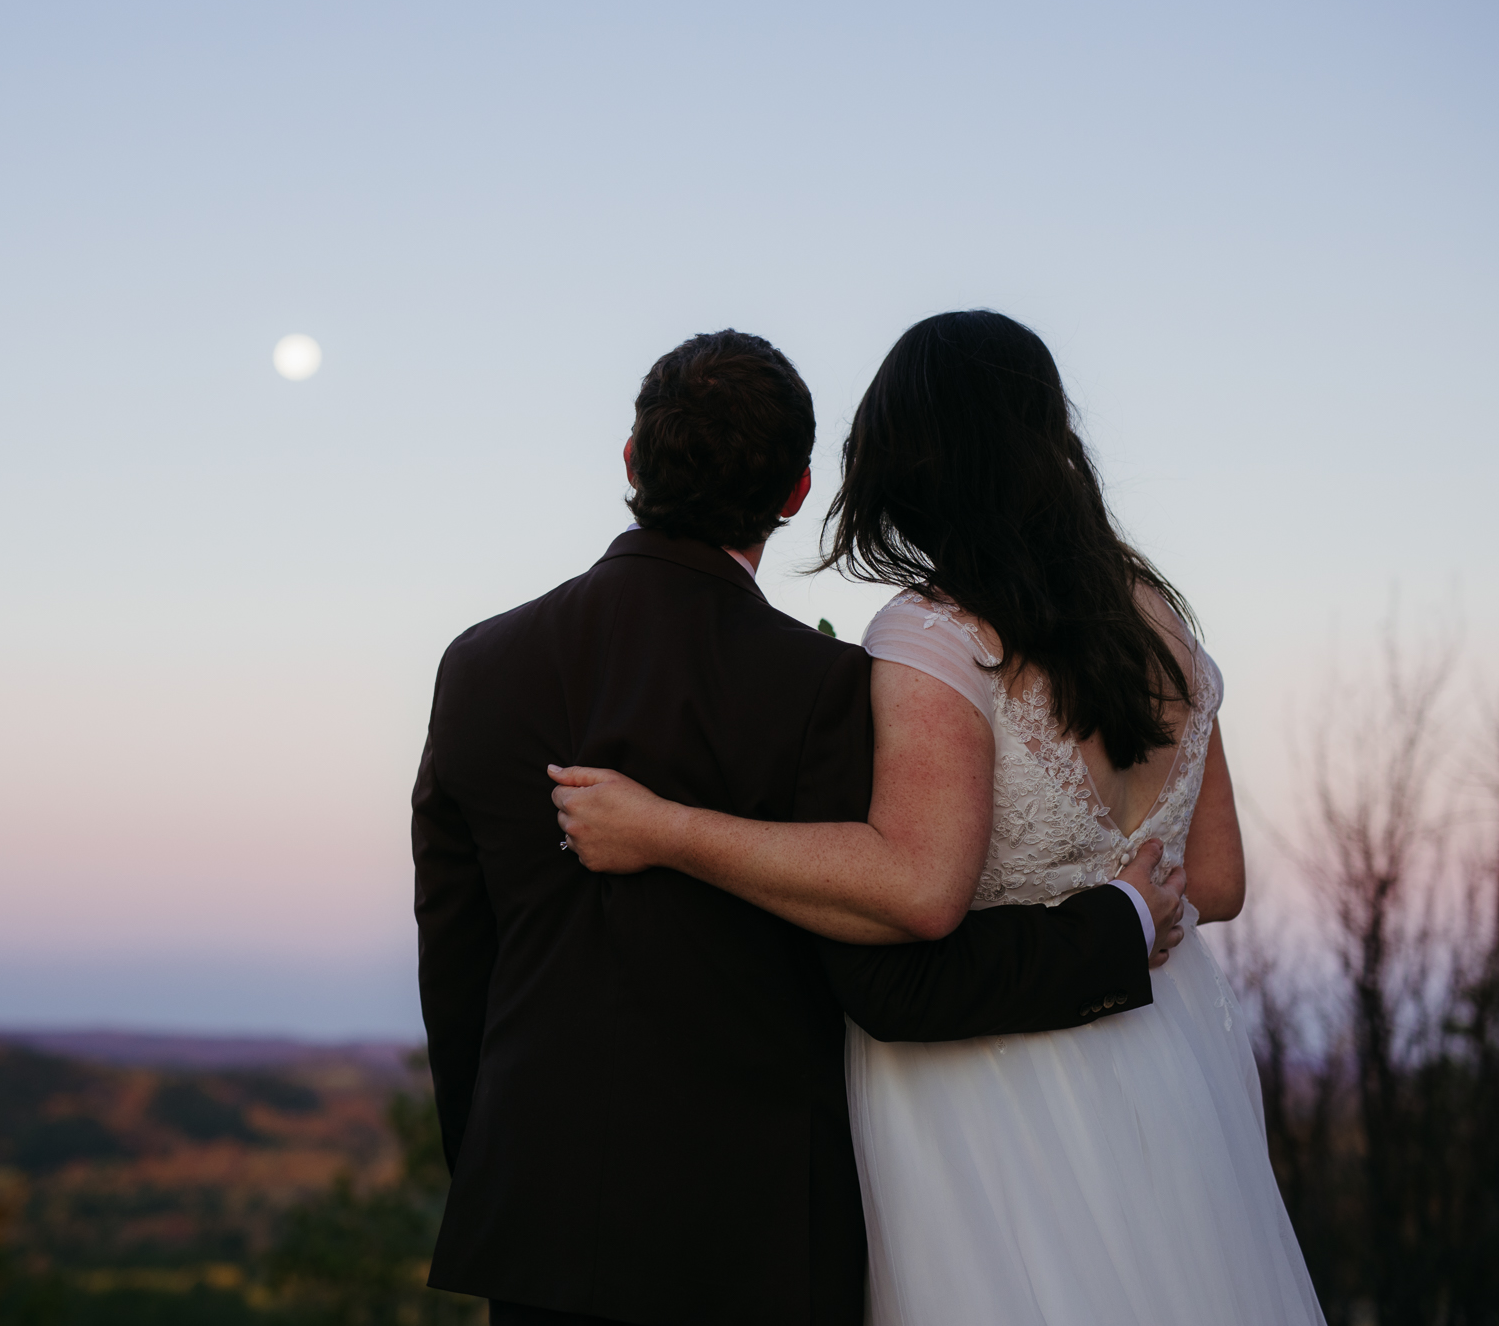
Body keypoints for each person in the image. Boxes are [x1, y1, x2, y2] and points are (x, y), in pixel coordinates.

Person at [550, 311, 1327, 1325]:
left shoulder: (930, 635)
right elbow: (1214, 884)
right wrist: (1120, 909)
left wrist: (665, 830)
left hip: (984, 1088)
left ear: (907, 455)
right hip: (1160, 1054)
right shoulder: (1157, 622)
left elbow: (915, 886)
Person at [413, 328, 1186, 1326]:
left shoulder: (476, 666)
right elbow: (886, 975)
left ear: (630, 462)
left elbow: (455, 954)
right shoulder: (822, 688)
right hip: (761, 1232)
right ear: (793, 491)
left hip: (540, 1219)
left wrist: (500, 1169)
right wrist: (1110, 931)